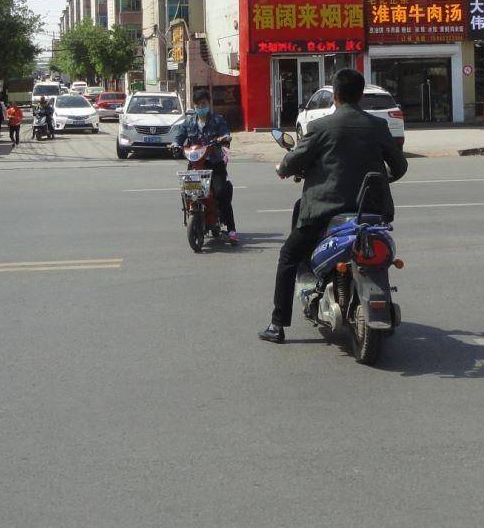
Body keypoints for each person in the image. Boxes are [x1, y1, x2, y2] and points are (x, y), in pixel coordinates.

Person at [261, 67, 407, 342]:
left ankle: (277, 325)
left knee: (289, 256)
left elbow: (294, 159)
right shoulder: (378, 126)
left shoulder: (321, 127)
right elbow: (399, 166)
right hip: (370, 211)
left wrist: (283, 168)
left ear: (335, 96)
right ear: (361, 95)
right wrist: (380, 180)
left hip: (325, 210)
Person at [174, 88, 237, 245]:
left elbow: (225, 133)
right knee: (189, 192)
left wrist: (224, 138)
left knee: (221, 193)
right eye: (197, 105)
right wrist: (175, 144)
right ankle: (193, 214)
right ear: (194, 106)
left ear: (209, 103)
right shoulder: (189, 122)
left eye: (203, 104)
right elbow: (179, 137)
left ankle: (231, 230)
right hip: (195, 164)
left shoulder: (217, 120)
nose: (200, 107)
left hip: (214, 163)